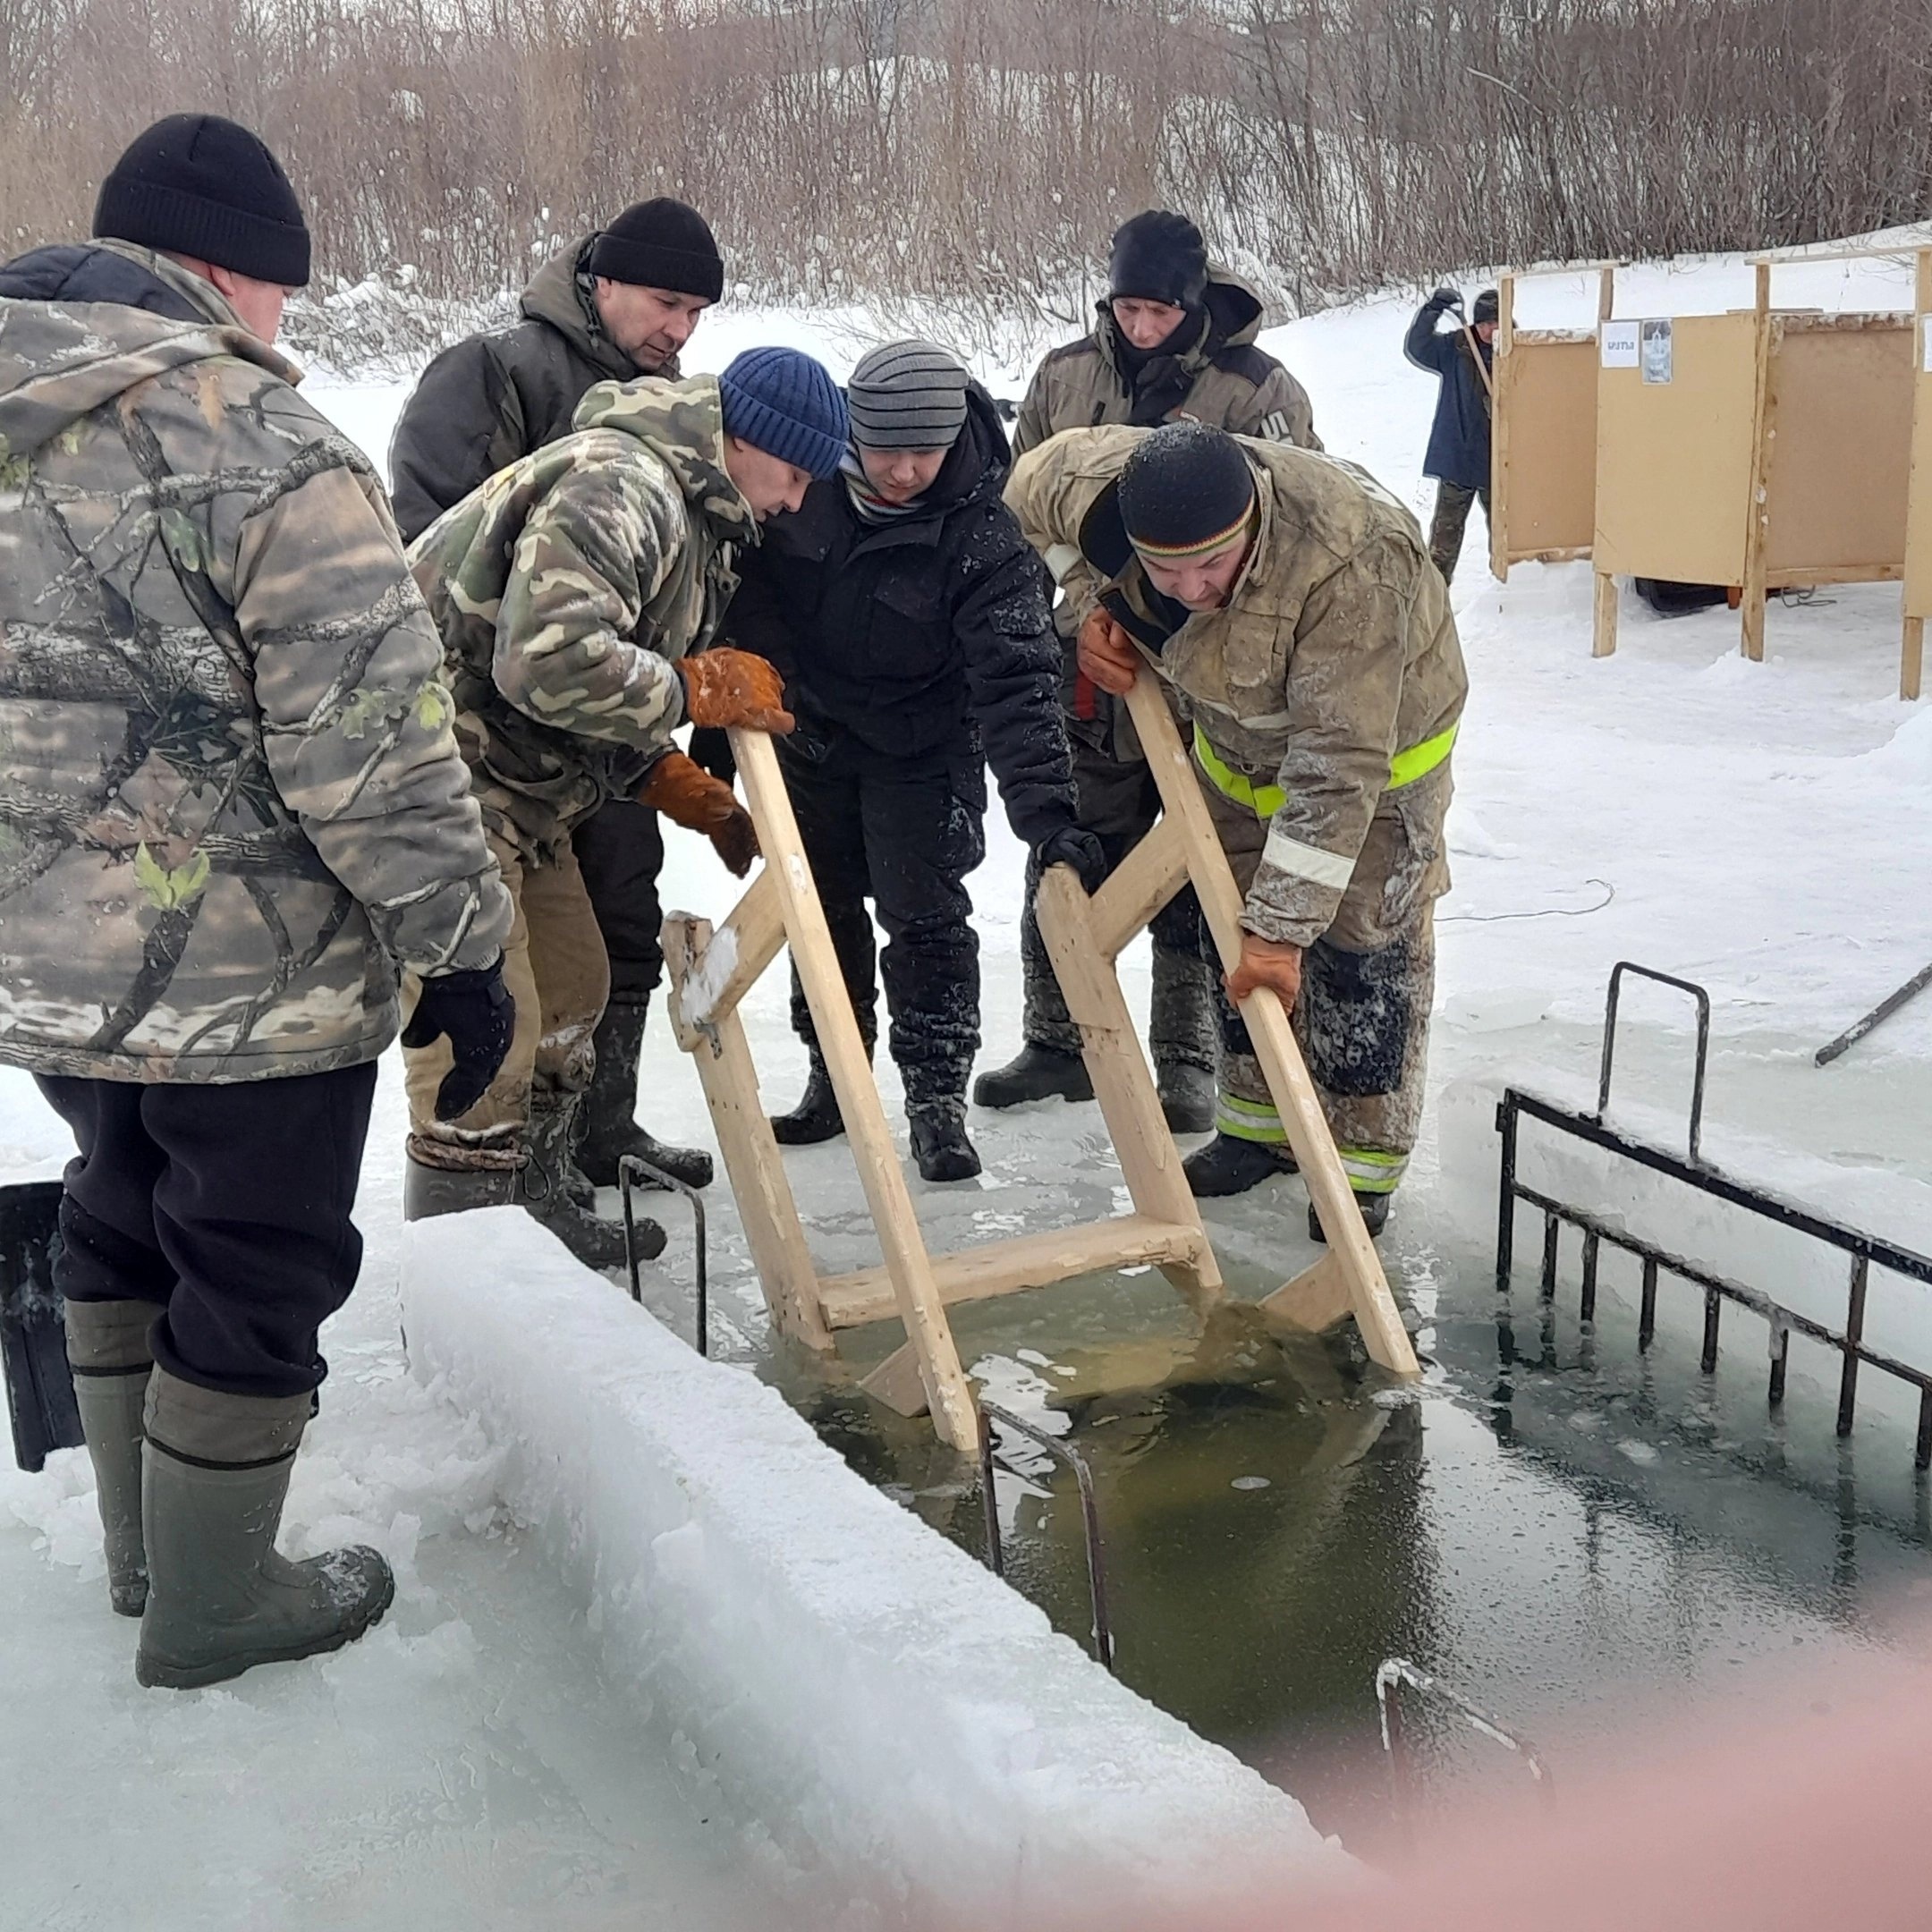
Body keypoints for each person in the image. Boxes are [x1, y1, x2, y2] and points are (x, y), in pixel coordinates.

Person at [0, 114, 515, 1688]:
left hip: (44, 971)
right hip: (251, 982)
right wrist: (466, 954)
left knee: (118, 1201)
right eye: (276, 293)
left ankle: (148, 1559)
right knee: (257, 1257)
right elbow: (371, 755)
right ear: (225, 271)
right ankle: (215, 1605)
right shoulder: (262, 443)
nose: (280, 324)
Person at [402, 348, 849, 1260]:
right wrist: (691, 688)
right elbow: (546, 660)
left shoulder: (701, 521)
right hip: (429, 770)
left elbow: (603, 675)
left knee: (575, 989)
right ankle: (472, 1268)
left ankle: (543, 1206)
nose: (796, 500)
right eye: (793, 472)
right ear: (743, 441)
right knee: (484, 1025)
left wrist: (674, 781)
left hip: (523, 784)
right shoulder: (624, 487)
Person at [1005, 421, 1467, 1238]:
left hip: (1376, 770)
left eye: (1211, 566)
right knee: (1233, 936)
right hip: (1233, 749)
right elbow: (1026, 492)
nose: (1187, 590)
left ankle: (1362, 1171)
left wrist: (1286, 929)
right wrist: (1092, 607)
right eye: (1164, 571)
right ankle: (1255, 1131)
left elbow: (1336, 762)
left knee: (1358, 955)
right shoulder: (1100, 485)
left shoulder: (1352, 563)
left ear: (1249, 522)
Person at [390, 199, 730, 1200]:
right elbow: (435, 543)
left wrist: (652, 747)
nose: (680, 329)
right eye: (667, 302)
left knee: (608, 940)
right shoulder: (494, 372)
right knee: (493, 994)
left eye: (698, 313)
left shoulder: (677, 417)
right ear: (603, 282)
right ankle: (494, 1199)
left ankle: (591, 1135)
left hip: (599, 741)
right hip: (492, 731)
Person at [976, 210, 1323, 1137]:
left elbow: (1288, 531)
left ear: (1192, 302)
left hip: (1205, 667)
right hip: (1086, 662)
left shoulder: (1256, 391)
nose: (1138, 326)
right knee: (1069, 837)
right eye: (1125, 307)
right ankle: (1058, 1037)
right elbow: (1025, 511)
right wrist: (1087, 609)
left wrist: (1161, 614)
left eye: (1157, 310)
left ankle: (1188, 1058)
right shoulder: (1064, 377)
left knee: (1192, 855)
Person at [724, 342, 1103, 1182]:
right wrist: (760, 709)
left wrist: (1049, 820)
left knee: (924, 916)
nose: (901, 472)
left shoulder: (985, 532)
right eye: (883, 450)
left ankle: (936, 1101)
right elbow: (746, 597)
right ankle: (834, 1076)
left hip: (925, 746)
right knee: (815, 912)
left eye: (921, 454)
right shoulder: (802, 476)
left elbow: (1018, 679)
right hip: (808, 731)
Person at [1404, 284, 1496, 585]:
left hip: (1499, 461)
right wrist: (1432, 311)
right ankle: (1434, 590)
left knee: (1506, 531)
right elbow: (1417, 348)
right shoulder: (1457, 347)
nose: (1489, 330)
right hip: (1459, 456)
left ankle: (1508, 587)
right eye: (1483, 323)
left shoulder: (1521, 351)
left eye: (1495, 323)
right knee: (1445, 536)